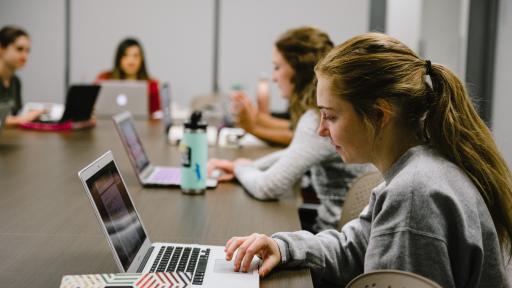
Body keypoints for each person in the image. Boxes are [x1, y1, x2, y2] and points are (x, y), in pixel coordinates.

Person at [224, 33, 512, 287]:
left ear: (379, 115)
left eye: (332, 116)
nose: (322, 130)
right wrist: (283, 247)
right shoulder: (416, 171)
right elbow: (356, 247)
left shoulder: (413, 193)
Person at [209, 27, 369, 233]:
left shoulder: (316, 119)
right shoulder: (320, 115)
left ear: (297, 70)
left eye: (277, 67)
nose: (274, 77)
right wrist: (245, 166)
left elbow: (268, 187)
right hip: (339, 232)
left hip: (333, 237)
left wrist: (241, 168)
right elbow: (294, 152)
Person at [96, 38, 161, 119]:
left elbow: (156, 115)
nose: (131, 61)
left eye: (136, 56)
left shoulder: (152, 84)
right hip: (107, 127)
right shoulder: (104, 79)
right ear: (119, 58)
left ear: (142, 59)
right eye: (125, 55)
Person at [0, 26, 44, 127]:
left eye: (28, 51)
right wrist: (23, 119)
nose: (25, 56)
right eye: (19, 49)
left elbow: (14, 115)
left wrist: (28, 115)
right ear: (1, 49)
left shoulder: (15, 81)